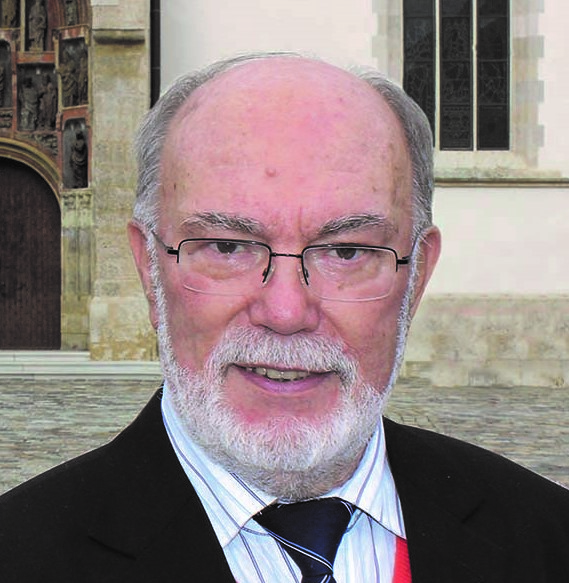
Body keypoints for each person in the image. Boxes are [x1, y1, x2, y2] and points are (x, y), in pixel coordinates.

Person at [1, 53, 568, 582]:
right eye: (228, 247)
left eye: (347, 251)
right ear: (150, 269)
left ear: (416, 276)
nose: (286, 311)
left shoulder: (548, 537)